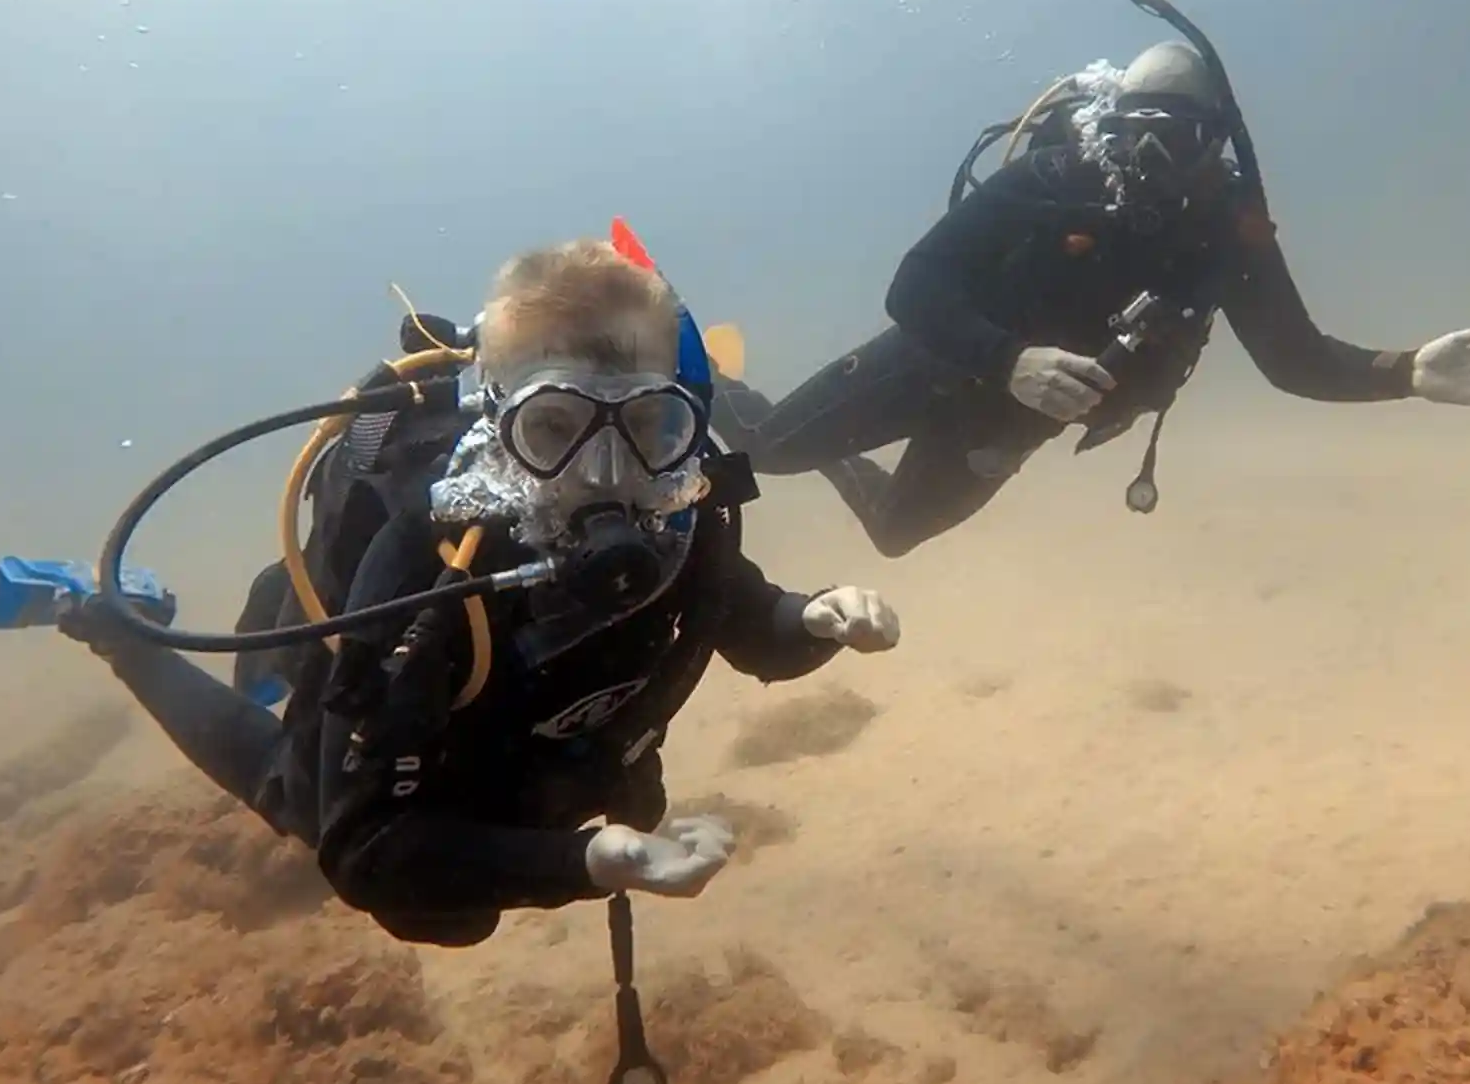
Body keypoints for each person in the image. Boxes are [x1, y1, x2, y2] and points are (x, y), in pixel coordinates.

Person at [57, 237, 902, 947]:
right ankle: (120, 629)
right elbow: (363, 855)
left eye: (651, 427)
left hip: (547, 763)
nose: (607, 476)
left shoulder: (685, 511)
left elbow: (749, 624)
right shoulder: (431, 569)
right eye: (554, 431)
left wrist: (817, 617)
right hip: (430, 757)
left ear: (687, 424)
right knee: (319, 811)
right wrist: (586, 863)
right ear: (500, 430)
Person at [710, 23, 1470, 559]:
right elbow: (913, 284)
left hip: (1008, 424)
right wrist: (1008, 359)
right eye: (1128, 130)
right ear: (1104, 124)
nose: (1141, 157)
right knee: (773, 454)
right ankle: (704, 385)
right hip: (930, 361)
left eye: (1169, 136)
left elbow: (1296, 360)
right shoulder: (1052, 177)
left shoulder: (1226, 233)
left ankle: (838, 456)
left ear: (1211, 141)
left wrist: (1405, 373)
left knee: (893, 534)